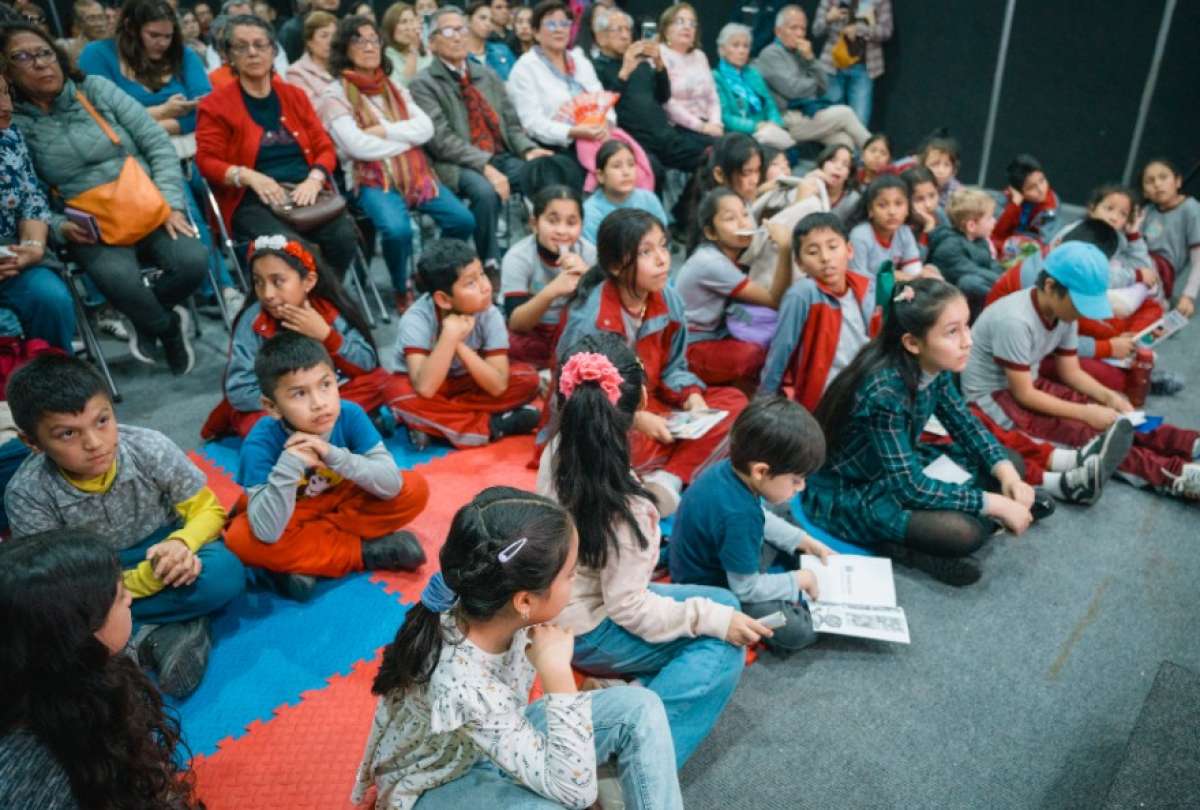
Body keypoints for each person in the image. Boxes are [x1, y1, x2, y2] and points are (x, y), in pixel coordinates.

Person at [352, 486, 684, 809]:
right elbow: (576, 793)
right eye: (570, 575)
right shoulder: (461, 681)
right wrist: (558, 677)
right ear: (525, 599)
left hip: (498, 734)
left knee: (640, 706)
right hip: (440, 780)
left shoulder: (497, 606)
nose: (576, 581)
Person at [539, 332, 766, 766]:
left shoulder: (558, 449)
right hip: (587, 627)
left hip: (563, 608)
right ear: (642, 397)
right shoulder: (629, 509)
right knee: (723, 648)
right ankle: (635, 751)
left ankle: (628, 694)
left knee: (723, 601)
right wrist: (709, 621)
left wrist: (711, 613)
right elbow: (629, 608)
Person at [4, 354, 247, 696]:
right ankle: (170, 628)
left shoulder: (148, 447)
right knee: (50, 623)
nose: (94, 443)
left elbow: (208, 510)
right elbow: (53, 584)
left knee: (226, 574)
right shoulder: (28, 493)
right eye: (68, 434)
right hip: (92, 578)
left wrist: (182, 544)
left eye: (102, 421)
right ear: (32, 442)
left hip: (164, 549)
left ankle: (139, 633)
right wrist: (138, 583)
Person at [807, 278, 1043, 587]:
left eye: (966, 326)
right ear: (912, 342)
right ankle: (901, 548)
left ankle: (977, 517)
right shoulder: (884, 391)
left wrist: (1008, 474)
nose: (967, 341)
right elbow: (910, 488)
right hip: (851, 489)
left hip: (899, 465)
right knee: (964, 533)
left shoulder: (933, 365)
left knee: (1010, 462)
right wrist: (996, 504)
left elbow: (966, 426)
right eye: (952, 332)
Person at [4, 23, 206, 375]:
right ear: (6, 70)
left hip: (147, 201)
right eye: (23, 57)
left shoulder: (94, 89)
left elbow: (156, 143)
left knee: (193, 261)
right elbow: (29, 197)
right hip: (89, 223)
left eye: (44, 52)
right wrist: (61, 228)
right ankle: (167, 327)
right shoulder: (14, 125)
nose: (39, 64)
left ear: (59, 55)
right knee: (118, 281)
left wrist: (172, 202)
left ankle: (146, 318)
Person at [962, 242, 1200, 501]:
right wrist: (1086, 413)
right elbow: (1023, 396)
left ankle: (1189, 443)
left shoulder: (1064, 313)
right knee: (1089, 438)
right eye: (1080, 302)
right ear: (1051, 287)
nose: (1084, 312)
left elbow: (1070, 371)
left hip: (1029, 385)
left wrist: (1108, 397)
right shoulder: (1015, 321)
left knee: (1118, 417)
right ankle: (1176, 476)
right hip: (996, 402)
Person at [555, 209, 748, 513]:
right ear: (617, 265)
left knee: (734, 404)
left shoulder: (668, 299)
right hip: (605, 414)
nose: (662, 259)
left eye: (663, 245)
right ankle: (678, 469)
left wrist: (691, 398)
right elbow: (575, 398)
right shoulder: (591, 319)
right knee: (606, 447)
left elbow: (674, 368)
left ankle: (669, 478)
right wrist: (635, 419)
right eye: (646, 252)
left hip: (653, 402)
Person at [0, 529, 204, 809]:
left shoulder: (100, 662)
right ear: (78, 634)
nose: (131, 598)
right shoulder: (31, 773)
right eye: (120, 595)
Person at [226, 331, 430, 601]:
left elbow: (392, 485)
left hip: (342, 500)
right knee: (240, 538)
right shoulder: (259, 444)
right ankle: (367, 553)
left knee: (415, 488)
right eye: (299, 393)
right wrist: (290, 464)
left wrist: (336, 456)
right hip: (294, 512)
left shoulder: (350, 414)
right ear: (272, 407)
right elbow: (267, 530)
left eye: (325, 385)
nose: (319, 403)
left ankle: (307, 559)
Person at [321, 14, 475, 307]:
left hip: (417, 177)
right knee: (397, 231)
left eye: (374, 40)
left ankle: (428, 271)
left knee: (462, 220)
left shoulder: (393, 87)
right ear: (344, 49)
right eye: (359, 40)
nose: (369, 47)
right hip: (370, 180)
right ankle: (399, 286)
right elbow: (358, 147)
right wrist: (406, 140)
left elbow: (426, 128)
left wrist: (385, 131)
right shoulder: (334, 95)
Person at [196, 14, 360, 280]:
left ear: (273, 51)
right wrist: (249, 176)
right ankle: (320, 308)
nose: (252, 52)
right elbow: (206, 161)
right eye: (242, 46)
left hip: (305, 192)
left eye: (260, 45)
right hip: (252, 201)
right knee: (296, 251)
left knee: (343, 238)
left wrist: (315, 179)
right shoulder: (215, 105)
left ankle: (319, 306)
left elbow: (324, 147)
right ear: (229, 56)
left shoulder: (294, 95)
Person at [410, 6, 574, 269]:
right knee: (485, 192)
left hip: (500, 154)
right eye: (448, 31)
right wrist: (485, 166)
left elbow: (511, 122)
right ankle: (490, 262)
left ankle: (552, 251)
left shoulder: (485, 75)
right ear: (432, 42)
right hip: (455, 163)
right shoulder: (423, 83)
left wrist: (527, 150)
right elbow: (441, 140)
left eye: (461, 29)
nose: (457, 37)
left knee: (545, 170)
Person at [670, 395, 833, 653]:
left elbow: (761, 517)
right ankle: (803, 575)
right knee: (797, 631)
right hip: (713, 588)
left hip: (723, 556)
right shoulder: (739, 516)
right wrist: (798, 580)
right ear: (760, 471)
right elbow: (745, 589)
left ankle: (801, 559)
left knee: (780, 508)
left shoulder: (729, 469)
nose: (801, 488)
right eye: (795, 479)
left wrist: (802, 540)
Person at [203, 235, 396, 438]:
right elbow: (239, 390)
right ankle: (336, 430)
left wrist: (327, 335)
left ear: (308, 281)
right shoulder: (253, 322)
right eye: (258, 282)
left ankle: (318, 433)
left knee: (383, 383)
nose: (267, 293)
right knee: (256, 425)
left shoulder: (326, 310)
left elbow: (366, 363)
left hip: (327, 396)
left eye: (278, 281)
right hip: (282, 405)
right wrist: (290, 403)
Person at [389, 238, 541, 448]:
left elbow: (497, 385)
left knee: (527, 379)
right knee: (399, 396)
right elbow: (425, 388)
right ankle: (495, 425)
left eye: (482, 274)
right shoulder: (416, 319)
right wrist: (449, 336)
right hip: (434, 387)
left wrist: (460, 346)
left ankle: (436, 425)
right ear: (443, 299)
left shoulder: (489, 313)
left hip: (469, 382)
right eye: (471, 283)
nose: (485, 287)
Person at [507, 1, 652, 193]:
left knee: (647, 164)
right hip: (559, 142)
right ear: (535, 32)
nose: (559, 29)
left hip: (596, 135)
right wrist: (574, 131)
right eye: (551, 24)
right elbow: (533, 123)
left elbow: (601, 98)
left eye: (564, 23)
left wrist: (606, 123)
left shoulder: (579, 60)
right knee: (578, 173)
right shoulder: (525, 68)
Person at [676, 187, 793, 390]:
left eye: (745, 214)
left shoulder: (730, 255)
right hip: (689, 347)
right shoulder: (712, 263)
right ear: (711, 232)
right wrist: (785, 248)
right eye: (730, 218)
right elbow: (774, 300)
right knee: (759, 354)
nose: (743, 223)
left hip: (715, 333)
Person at [760, 212, 878, 409]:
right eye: (813, 252)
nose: (825, 258)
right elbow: (782, 348)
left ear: (849, 250)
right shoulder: (802, 294)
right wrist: (764, 402)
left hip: (865, 388)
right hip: (823, 396)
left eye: (833, 247)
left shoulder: (866, 287)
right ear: (799, 263)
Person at [0, 74, 75, 352]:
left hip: (11, 252)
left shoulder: (9, 137)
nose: (5, 104)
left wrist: (33, 246)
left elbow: (32, 198)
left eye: (6, 92)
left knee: (50, 297)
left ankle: (55, 382)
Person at [591, 5, 710, 180]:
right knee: (653, 170)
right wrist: (624, 72)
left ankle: (683, 205)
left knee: (712, 154)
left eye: (627, 29)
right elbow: (604, 107)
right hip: (635, 142)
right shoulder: (595, 68)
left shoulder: (642, 64)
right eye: (618, 30)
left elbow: (664, 96)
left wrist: (659, 63)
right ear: (601, 38)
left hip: (667, 137)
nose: (625, 35)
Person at [502, 184, 594, 368]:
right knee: (505, 342)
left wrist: (589, 278)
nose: (561, 231)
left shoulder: (589, 254)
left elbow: (602, 309)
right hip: (534, 331)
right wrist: (551, 291)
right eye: (553, 221)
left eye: (571, 223)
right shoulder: (518, 257)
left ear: (581, 226)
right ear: (534, 224)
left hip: (573, 329)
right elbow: (517, 324)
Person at [754, 5, 869, 150]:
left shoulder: (801, 53)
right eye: (793, 28)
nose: (799, 34)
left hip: (808, 113)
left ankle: (865, 169)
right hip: (786, 119)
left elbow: (823, 87)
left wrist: (811, 59)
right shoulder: (770, 54)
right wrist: (813, 82)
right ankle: (878, 153)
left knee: (843, 142)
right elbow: (793, 90)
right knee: (845, 113)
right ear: (778, 31)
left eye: (802, 29)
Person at [711, 23, 793, 151]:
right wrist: (756, 126)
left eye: (746, 46)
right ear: (722, 49)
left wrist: (774, 122)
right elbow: (725, 117)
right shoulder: (716, 77)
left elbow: (769, 104)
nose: (742, 51)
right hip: (739, 134)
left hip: (766, 130)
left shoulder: (753, 73)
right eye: (736, 45)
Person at [811, 0, 893, 128]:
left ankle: (857, 149)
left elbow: (886, 32)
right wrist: (829, 18)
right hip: (832, 67)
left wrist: (860, 29)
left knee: (860, 123)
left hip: (863, 68)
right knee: (831, 123)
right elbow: (816, 30)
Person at [926, 186, 1005, 318]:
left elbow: (991, 264)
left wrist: (1006, 276)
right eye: (990, 218)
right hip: (944, 301)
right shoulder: (949, 246)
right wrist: (1003, 283)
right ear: (971, 226)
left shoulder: (980, 240)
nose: (994, 221)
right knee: (970, 282)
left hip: (970, 301)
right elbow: (971, 271)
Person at [1141, 157, 1200, 317]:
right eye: (1150, 181)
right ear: (1145, 192)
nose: (1157, 184)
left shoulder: (1191, 209)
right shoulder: (1147, 211)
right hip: (1139, 266)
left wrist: (1188, 296)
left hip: (1162, 271)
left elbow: (1198, 260)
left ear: (1178, 182)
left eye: (1163, 177)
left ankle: (1161, 304)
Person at [658, 3, 723, 144]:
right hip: (678, 127)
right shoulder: (659, 55)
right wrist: (701, 127)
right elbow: (667, 102)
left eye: (692, 23)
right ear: (666, 29)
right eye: (680, 21)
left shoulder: (700, 56)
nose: (687, 27)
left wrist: (716, 123)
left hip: (709, 125)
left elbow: (712, 96)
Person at [581, 140, 668, 244]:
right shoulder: (591, 212)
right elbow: (593, 255)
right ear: (601, 176)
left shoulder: (649, 199)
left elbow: (663, 238)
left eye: (631, 165)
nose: (626, 172)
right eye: (617, 166)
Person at [849, 174, 927, 283]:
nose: (892, 212)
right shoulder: (860, 236)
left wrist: (920, 276)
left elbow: (913, 271)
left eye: (898, 204)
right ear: (870, 210)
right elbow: (856, 279)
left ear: (907, 208)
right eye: (882, 205)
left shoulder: (904, 232)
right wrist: (889, 277)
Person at [992, 152, 1059, 257]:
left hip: (1030, 253)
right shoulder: (1006, 198)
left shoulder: (1050, 203)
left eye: (1042, 180)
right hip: (1003, 247)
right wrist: (1014, 205)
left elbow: (1044, 242)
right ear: (1019, 191)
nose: (1041, 190)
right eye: (1031, 187)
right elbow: (995, 232)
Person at [284, 10, 338, 104]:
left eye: (334, 36)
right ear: (310, 42)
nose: (331, 42)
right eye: (324, 36)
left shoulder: (344, 66)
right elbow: (312, 107)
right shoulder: (296, 73)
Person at [381, 1, 430, 87]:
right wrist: (413, 51)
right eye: (403, 22)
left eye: (412, 21)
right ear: (391, 27)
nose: (409, 27)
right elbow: (402, 88)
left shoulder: (426, 51)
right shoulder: (386, 57)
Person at [464, 0, 517, 80]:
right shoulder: (459, 55)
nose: (488, 24)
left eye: (491, 20)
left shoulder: (503, 51)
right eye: (483, 18)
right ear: (468, 20)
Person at [903, 165, 942, 258]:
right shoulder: (902, 227)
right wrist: (928, 230)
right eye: (919, 199)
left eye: (932, 195)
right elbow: (916, 262)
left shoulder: (939, 213)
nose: (928, 205)